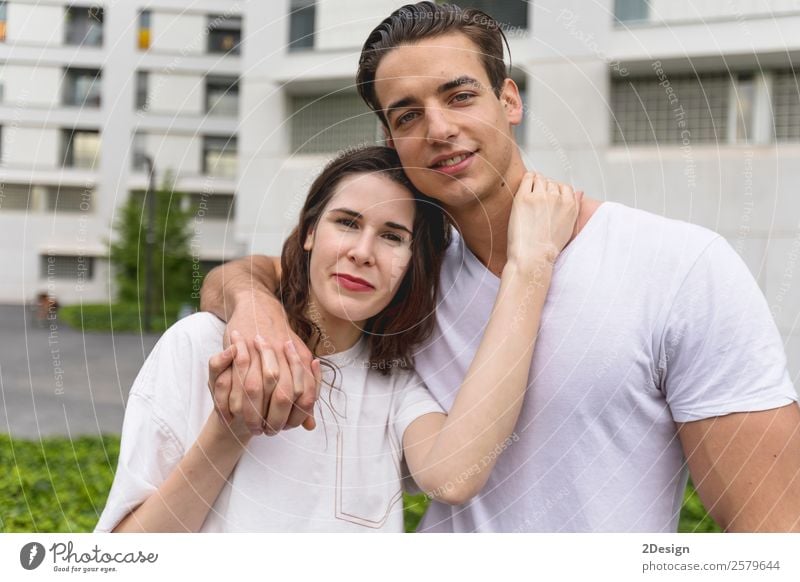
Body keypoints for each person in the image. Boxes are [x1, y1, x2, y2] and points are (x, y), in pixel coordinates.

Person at [200, 2, 800, 532]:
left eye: (460, 96)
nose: (440, 128)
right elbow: (248, 275)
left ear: (509, 99)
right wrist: (258, 313)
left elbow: (773, 526)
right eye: (408, 115)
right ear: (391, 136)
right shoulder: (409, 274)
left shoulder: (680, 267)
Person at [95, 146, 580, 532]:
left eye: (392, 236)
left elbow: (455, 476)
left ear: (414, 262)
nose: (362, 252)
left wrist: (529, 266)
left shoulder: (397, 384)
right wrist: (231, 431)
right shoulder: (203, 345)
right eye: (347, 223)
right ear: (309, 232)